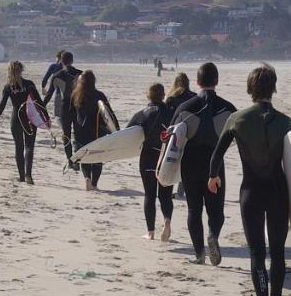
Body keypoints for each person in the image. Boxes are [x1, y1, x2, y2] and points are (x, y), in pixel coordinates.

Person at [209, 64, 291, 296]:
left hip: (251, 193)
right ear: (274, 87)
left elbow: (216, 156)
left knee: (257, 254)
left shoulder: (236, 119)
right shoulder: (286, 122)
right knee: (278, 252)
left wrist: (213, 177)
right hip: (279, 193)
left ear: (250, 88)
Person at [172, 62, 237, 265]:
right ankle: (213, 235)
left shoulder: (185, 108)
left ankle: (199, 254)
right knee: (216, 210)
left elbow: (170, 138)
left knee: (194, 210)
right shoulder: (228, 108)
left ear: (198, 82)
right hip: (215, 167)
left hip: (190, 165)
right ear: (216, 81)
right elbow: (239, 136)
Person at [127, 82, 175, 241]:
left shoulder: (143, 113)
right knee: (166, 194)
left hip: (148, 158)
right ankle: (167, 220)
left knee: (150, 194)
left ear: (148, 95)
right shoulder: (172, 113)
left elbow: (127, 134)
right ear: (163, 96)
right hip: (167, 158)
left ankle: (150, 232)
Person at [0, 60, 47, 184]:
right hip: (30, 118)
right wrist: (46, 118)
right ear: (22, 70)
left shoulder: (8, 87)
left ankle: (22, 177)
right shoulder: (30, 85)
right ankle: (29, 175)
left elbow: (2, 104)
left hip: (16, 119)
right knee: (29, 147)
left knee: (19, 147)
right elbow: (39, 102)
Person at [64, 70, 118, 191]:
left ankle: (87, 177)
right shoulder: (100, 95)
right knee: (98, 157)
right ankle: (94, 183)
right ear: (93, 81)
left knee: (84, 156)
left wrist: (67, 129)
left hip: (80, 132)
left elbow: (70, 114)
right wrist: (116, 129)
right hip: (98, 131)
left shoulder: (75, 95)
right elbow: (109, 114)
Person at [43, 51, 83, 171]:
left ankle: (70, 160)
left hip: (64, 107)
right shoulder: (80, 74)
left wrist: (41, 106)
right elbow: (87, 93)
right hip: (77, 107)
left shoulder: (57, 75)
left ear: (61, 61)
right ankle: (77, 161)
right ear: (72, 60)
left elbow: (49, 94)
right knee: (78, 135)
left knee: (66, 135)